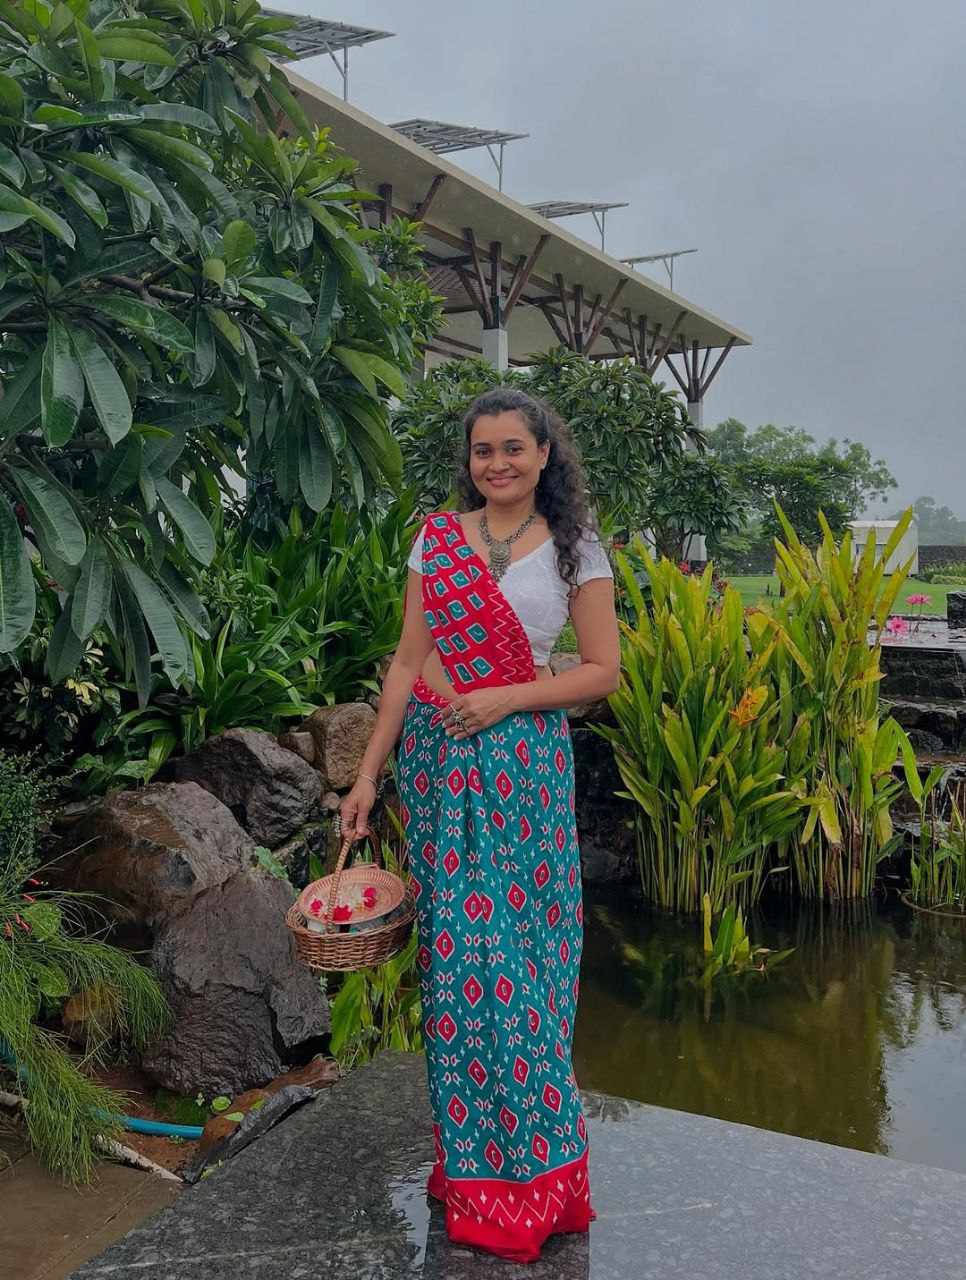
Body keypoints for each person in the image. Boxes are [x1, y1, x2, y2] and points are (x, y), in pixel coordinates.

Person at [340, 387, 620, 1264]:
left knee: (523, 965)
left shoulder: (576, 546)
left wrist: (508, 696)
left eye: (512, 449)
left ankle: (535, 1171)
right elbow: (406, 662)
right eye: (482, 451)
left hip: (523, 770)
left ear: (544, 455)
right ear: (469, 461)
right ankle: (473, 1166)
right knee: (462, 964)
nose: (496, 464)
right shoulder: (437, 539)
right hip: (438, 767)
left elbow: (602, 672)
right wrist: (368, 773)